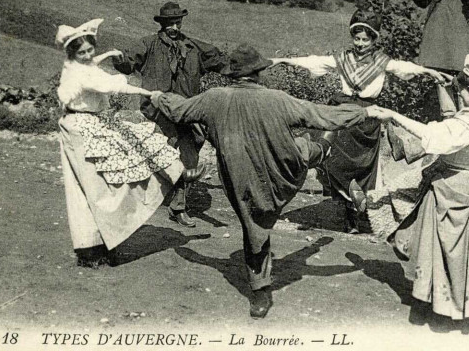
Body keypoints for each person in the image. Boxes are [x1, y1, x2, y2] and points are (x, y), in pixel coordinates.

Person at [149, 43, 370, 319]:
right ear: (258, 74)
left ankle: (259, 290)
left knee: (253, 224)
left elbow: (178, 110)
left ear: (232, 75)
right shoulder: (277, 98)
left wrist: (158, 97)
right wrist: (364, 112)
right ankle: (322, 150)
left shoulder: (214, 97)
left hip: (237, 174)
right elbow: (321, 115)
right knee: (306, 149)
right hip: (277, 170)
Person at [269, 9, 449, 233]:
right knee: (326, 152)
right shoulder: (343, 59)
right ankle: (350, 197)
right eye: (357, 38)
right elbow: (313, 61)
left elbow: (406, 68)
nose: (361, 43)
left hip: (366, 117)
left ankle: (353, 215)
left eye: (366, 39)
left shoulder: (382, 62)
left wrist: (429, 72)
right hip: (342, 111)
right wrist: (282, 60)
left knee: (357, 166)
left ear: (374, 40)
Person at [371, 53, 469, 323]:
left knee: (439, 247)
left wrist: (393, 114)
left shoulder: (464, 126)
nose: (459, 98)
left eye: (462, 94)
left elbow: (431, 136)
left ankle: (439, 303)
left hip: (449, 187)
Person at [55, 19, 203, 268]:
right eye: (82, 52)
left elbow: (91, 63)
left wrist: (106, 55)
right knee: (95, 187)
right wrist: (150, 94)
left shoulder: (77, 64)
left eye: (91, 49)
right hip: (80, 128)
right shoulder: (80, 75)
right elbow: (113, 86)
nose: (88, 55)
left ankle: (176, 173)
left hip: (89, 122)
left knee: (112, 171)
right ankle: (92, 249)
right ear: (72, 54)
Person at [113, 2, 226, 227]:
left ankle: (178, 207)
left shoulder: (192, 47)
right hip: (158, 112)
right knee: (153, 156)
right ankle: (132, 202)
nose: (174, 26)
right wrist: (118, 58)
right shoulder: (148, 44)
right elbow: (127, 63)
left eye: (178, 22)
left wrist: (245, 68)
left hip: (186, 111)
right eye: (170, 23)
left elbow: (220, 61)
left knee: (189, 157)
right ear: (162, 24)